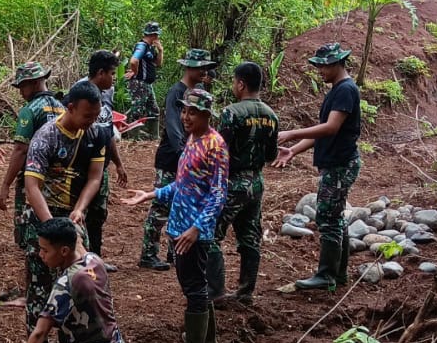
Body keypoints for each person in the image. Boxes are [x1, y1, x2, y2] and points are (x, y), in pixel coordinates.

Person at [124, 88, 229, 343]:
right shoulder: (192, 140)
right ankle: (207, 342)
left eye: (192, 112)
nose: (185, 116)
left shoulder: (215, 145)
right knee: (196, 285)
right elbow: (183, 185)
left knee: (194, 286)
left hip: (194, 231)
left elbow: (218, 193)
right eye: (184, 110)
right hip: (180, 226)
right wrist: (151, 194)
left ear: (207, 114)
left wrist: (197, 229)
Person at [0, 218, 125, 343]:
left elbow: (40, 332)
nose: (40, 254)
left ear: (64, 251)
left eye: (45, 250)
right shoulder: (93, 260)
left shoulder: (65, 284)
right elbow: (78, 239)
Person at [21, 81, 111, 327]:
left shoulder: (96, 133)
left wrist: (80, 209)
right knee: (41, 284)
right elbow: (32, 187)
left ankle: (73, 341)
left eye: (96, 115)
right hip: (45, 215)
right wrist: (51, 228)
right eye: (87, 115)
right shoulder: (46, 137)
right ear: (70, 108)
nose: (91, 120)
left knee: (79, 278)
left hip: (73, 217)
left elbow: (95, 177)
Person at [273, 42, 362, 292]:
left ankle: (326, 276)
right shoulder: (338, 89)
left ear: (336, 64)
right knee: (335, 217)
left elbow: (330, 128)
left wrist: (290, 134)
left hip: (339, 165)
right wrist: (294, 150)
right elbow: (324, 131)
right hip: (336, 163)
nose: (319, 71)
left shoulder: (345, 90)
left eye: (323, 66)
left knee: (328, 218)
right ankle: (338, 273)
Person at [139, 48, 216, 271]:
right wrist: (186, 152)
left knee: (184, 203)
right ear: (188, 67)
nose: (203, 71)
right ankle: (148, 253)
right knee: (161, 206)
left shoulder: (199, 91)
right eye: (200, 67)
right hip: (172, 157)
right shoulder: (177, 92)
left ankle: (176, 251)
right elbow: (173, 127)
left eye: (205, 68)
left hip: (190, 156)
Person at [214, 61, 279, 305]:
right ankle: (245, 293)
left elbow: (220, 150)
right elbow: (272, 155)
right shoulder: (271, 115)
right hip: (257, 182)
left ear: (241, 84)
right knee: (250, 237)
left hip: (232, 182)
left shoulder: (232, 112)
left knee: (211, 235)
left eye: (234, 81)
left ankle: (216, 292)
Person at [0, 62, 65, 289]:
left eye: (22, 86)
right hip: (58, 182)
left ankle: (34, 290)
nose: (20, 92)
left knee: (32, 237)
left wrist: (5, 184)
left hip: (32, 180)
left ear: (34, 83)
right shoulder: (62, 107)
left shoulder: (31, 110)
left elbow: (20, 149)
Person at [78, 50, 131, 269]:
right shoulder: (80, 92)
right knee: (80, 211)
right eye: (112, 74)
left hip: (102, 165)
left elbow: (108, 131)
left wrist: (118, 163)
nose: (114, 79)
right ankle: (79, 258)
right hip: (82, 165)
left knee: (98, 214)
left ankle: (95, 259)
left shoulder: (105, 93)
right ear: (100, 73)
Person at [124, 22, 163, 123]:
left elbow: (158, 64)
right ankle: (131, 136)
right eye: (157, 35)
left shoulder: (150, 48)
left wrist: (160, 50)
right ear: (153, 35)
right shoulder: (142, 46)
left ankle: (153, 137)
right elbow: (134, 61)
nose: (158, 37)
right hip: (139, 83)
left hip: (147, 84)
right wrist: (134, 72)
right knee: (137, 111)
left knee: (154, 111)